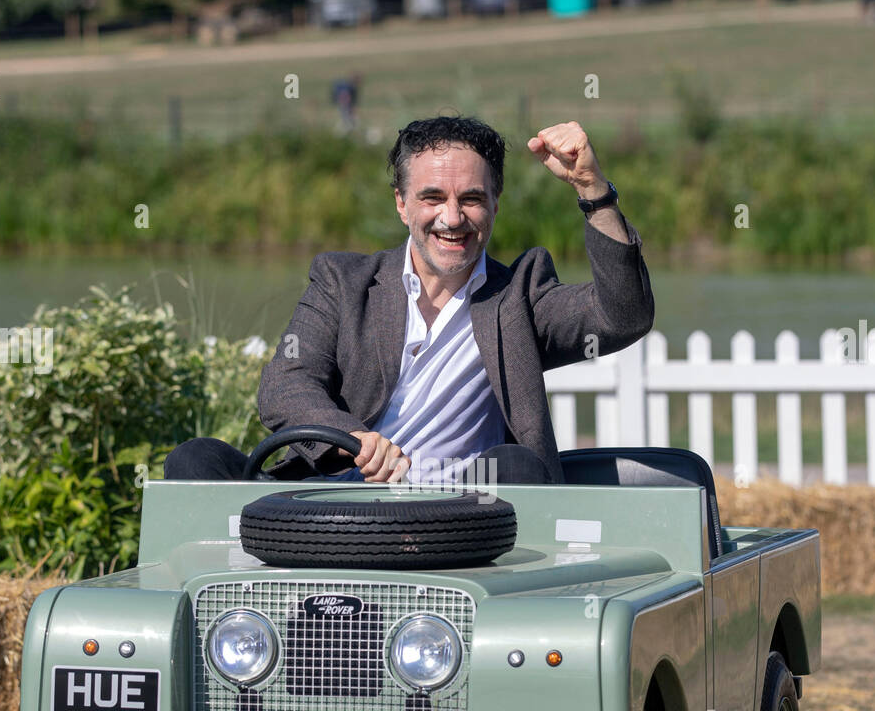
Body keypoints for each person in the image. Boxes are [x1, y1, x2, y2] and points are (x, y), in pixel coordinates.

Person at [163, 115, 655, 486]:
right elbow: (285, 384)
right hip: (332, 505)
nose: (452, 218)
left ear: (495, 204)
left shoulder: (519, 297)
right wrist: (353, 440)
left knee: (517, 467)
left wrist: (593, 190)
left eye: (471, 199)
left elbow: (623, 317)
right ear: (401, 203)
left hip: (462, 521)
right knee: (194, 459)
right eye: (432, 197)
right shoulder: (342, 282)